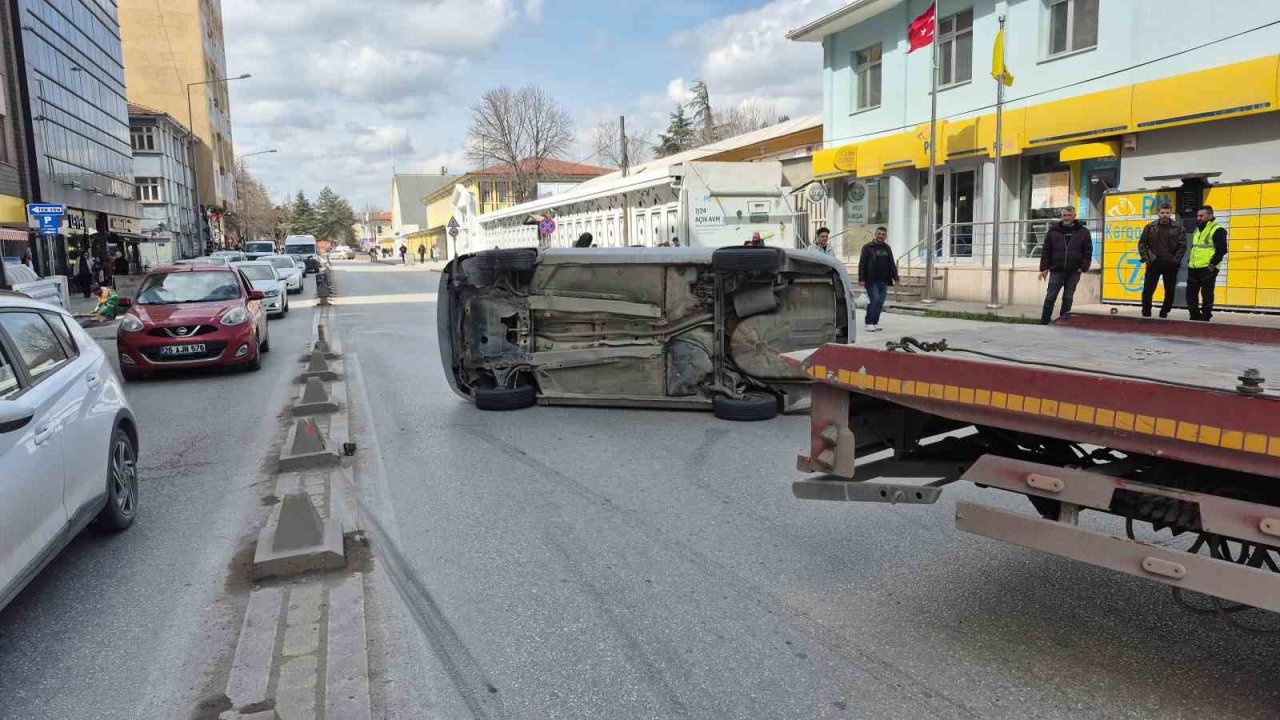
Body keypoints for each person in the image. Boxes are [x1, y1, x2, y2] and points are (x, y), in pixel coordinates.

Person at [1038, 206, 1092, 325]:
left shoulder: (1083, 232)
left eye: (1069, 216)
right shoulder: (1053, 231)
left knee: (1068, 298)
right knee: (1050, 296)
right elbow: (1046, 250)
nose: (1066, 218)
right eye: (1064, 216)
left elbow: (1088, 251)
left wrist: (1083, 267)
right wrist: (1044, 268)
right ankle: (1044, 321)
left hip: (1074, 271)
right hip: (1057, 269)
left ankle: (1064, 322)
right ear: (1061, 216)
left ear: (1074, 216)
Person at [1137, 202, 1185, 318]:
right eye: (1162, 213)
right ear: (1158, 213)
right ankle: (1146, 312)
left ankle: (1164, 311)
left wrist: (1175, 261)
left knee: (1169, 290)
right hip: (1154, 263)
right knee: (1148, 290)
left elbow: (1182, 245)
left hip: (1170, 264)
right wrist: (1147, 258)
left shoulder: (1178, 228)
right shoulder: (1150, 227)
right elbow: (1142, 244)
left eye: (1167, 213)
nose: (1165, 215)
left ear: (1171, 213)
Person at [1186, 205, 1228, 322]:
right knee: (1191, 293)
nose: (1198, 218)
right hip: (1193, 266)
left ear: (1209, 216)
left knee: (1207, 293)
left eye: (1201, 216)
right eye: (1197, 216)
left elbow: (1222, 249)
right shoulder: (1198, 229)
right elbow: (1195, 247)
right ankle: (1194, 315)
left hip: (1207, 267)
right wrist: (1190, 261)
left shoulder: (1217, 229)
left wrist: (1212, 264)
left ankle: (1206, 316)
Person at [857, 227, 898, 333]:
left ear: (886, 236)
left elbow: (892, 263)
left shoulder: (887, 248)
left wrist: (896, 277)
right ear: (875, 234)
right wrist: (861, 278)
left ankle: (874, 323)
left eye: (883, 234)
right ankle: (869, 323)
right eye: (879, 234)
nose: (881, 236)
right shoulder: (868, 247)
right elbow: (862, 264)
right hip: (871, 280)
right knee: (874, 300)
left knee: (880, 302)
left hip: (884, 280)